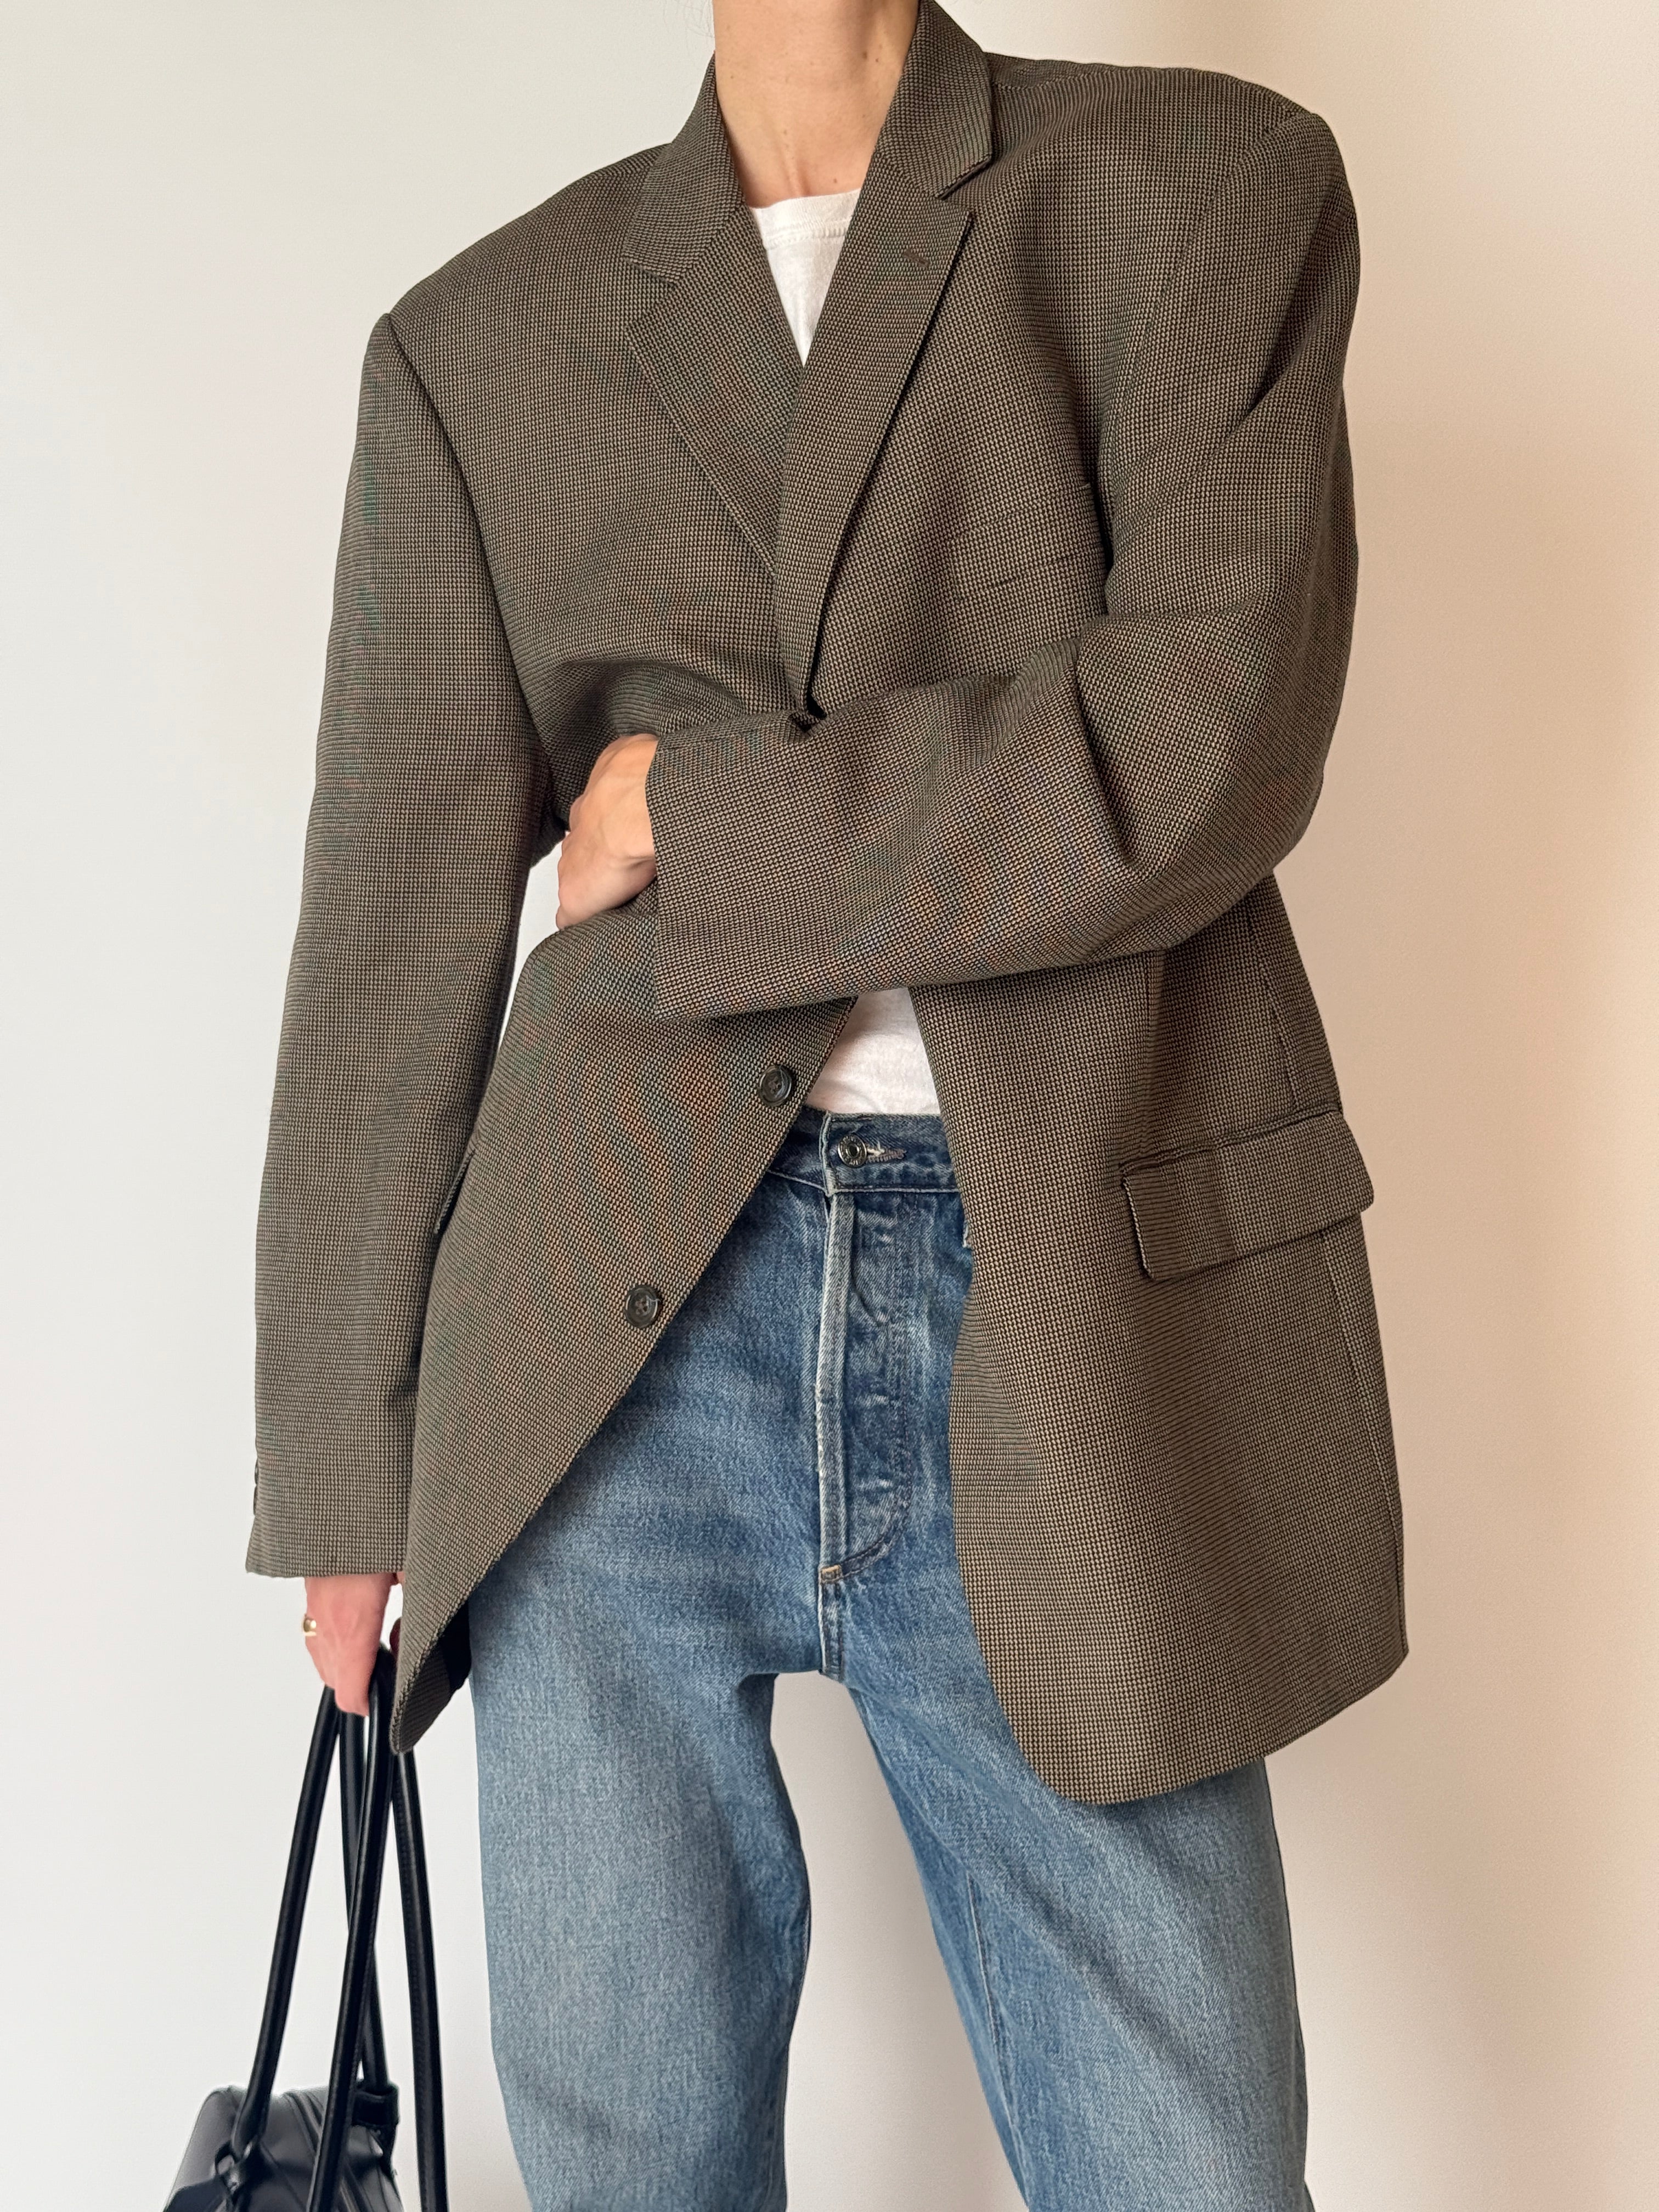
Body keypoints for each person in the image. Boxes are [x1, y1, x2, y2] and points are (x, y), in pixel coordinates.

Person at [251, 1, 1404, 2203]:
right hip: (597, 1345)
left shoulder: (1202, 191)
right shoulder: (483, 341)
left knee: (1189, 2158)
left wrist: (700, 816)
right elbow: (390, 921)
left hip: (1066, 1294)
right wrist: (342, 1454)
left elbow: (1199, 747)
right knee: (628, 2160)